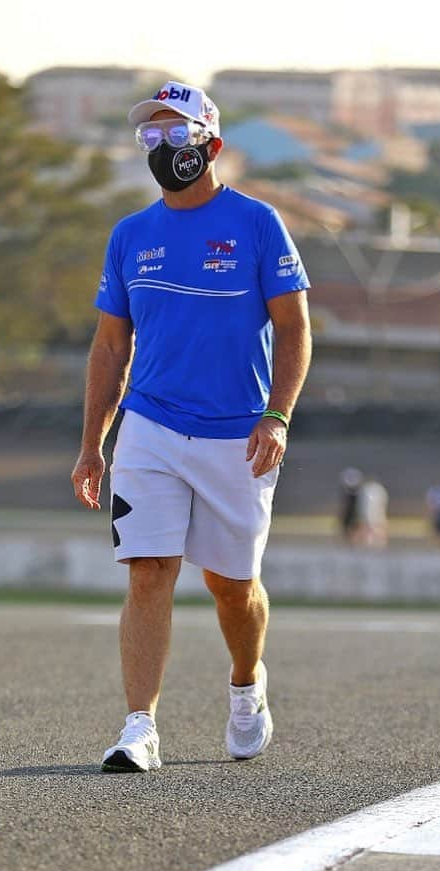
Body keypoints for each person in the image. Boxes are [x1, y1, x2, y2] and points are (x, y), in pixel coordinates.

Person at [70, 80, 312, 773]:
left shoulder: (258, 224)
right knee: (148, 571)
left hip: (239, 435)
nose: (163, 147)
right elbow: (110, 345)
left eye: (176, 134)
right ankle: (138, 726)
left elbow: (294, 330)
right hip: (148, 428)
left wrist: (277, 415)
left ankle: (245, 685)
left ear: (212, 143)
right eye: (150, 136)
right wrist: (93, 443)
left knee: (231, 587)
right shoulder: (130, 235)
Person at [354, 475, 389, 549]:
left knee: (375, 531)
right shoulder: (376, 490)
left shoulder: (367, 490)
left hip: (372, 518)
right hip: (374, 518)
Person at [338, 467, 364, 545]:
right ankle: (350, 540)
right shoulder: (350, 494)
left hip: (353, 513)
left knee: (352, 526)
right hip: (350, 513)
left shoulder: (355, 495)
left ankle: (352, 539)